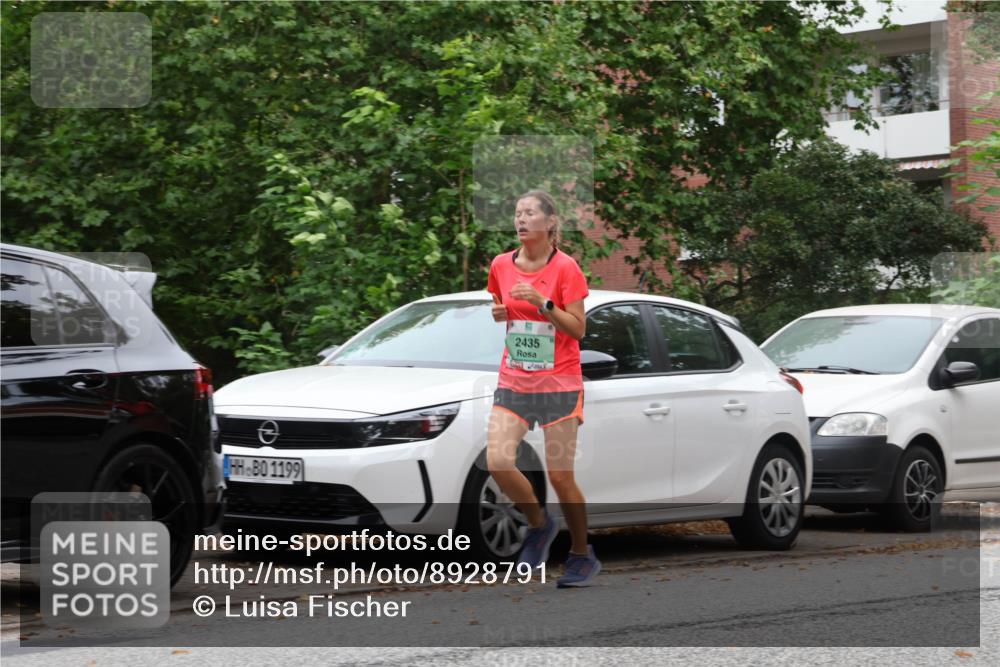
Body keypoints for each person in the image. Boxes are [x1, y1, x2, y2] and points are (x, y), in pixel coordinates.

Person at [485, 189, 601, 588]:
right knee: (498, 461)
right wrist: (500, 312)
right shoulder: (501, 265)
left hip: (560, 384)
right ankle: (539, 524)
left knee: (560, 477)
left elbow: (578, 328)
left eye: (529, 213)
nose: (520, 220)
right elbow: (505, 312)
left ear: (550, 222)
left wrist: (543, 302)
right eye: (517, 213)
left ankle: (582, 555)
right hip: (515, 379)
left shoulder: (566, 268)